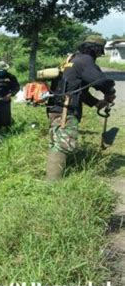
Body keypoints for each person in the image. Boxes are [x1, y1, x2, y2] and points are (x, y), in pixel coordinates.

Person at [46, 35, 116, 181]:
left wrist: (96, 103)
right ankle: (52, 184)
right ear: (96, 50)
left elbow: (78, 89)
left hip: (56, 107)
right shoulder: (85, 60)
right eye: (99, 52)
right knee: (63, 145)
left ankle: (53, 179)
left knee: (57, 142)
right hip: (66, 110)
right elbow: (100, 81)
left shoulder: (71, 60)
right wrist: (110, 92)